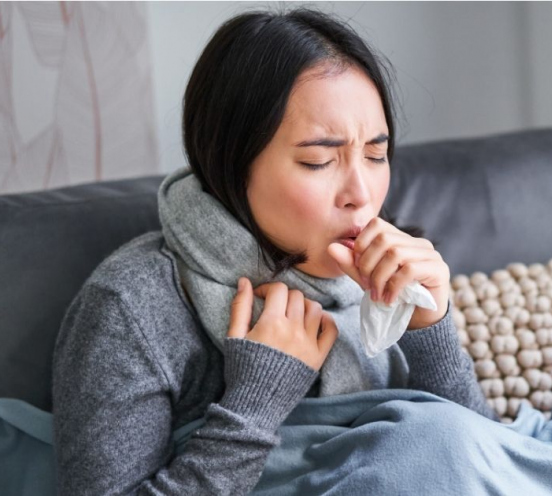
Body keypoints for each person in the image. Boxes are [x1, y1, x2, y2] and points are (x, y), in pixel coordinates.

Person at [51, 7, 498, 495]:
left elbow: (489, 464)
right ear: (232, 162)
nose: (362, 194)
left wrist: (431, 332)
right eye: (318, 160)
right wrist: (256, 402)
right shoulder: (132, 307)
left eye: (375, 154)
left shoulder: (388, 272)